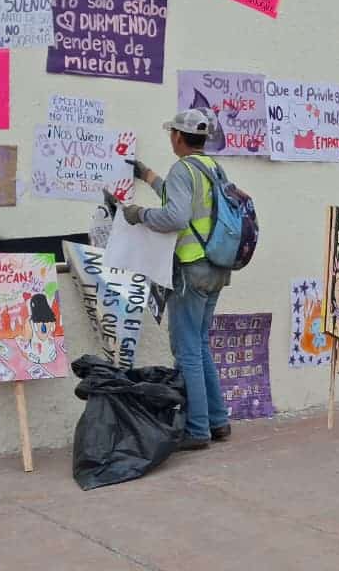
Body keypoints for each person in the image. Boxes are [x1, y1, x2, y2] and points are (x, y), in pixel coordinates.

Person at [121, 109, 232, 450]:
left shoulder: (183, 169)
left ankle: (197, 430)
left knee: (186, 352)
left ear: (178, 137)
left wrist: (139, 214)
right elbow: (179, 196)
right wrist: (148, 176)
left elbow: (176, 215)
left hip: (190, 269)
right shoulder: (212, 167)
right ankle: (217, 420)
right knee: (199, 345)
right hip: (216, 266)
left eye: (172, 133)